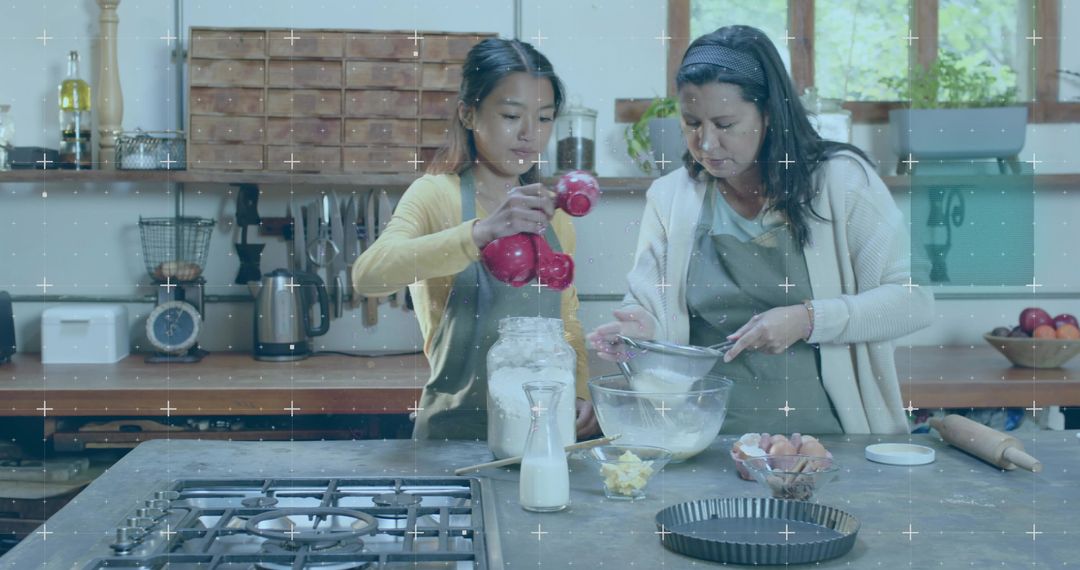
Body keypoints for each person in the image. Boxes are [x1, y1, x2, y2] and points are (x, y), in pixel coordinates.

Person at [588, 25, 934, 435]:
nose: (707, 143)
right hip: (703, 437)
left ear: (768, 115)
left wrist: (808, 319)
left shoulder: (842, 181)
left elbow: (913, 301)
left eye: (725, 124)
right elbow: (650, 307)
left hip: (834, 439)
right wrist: (638, 332)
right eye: (692, 122)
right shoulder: (671, 197)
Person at [352, 38, 598, 440]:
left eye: (544, 118)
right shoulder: (435, 194)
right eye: (510, 115)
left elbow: (566, 321)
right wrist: (481, 232)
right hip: (455, 436)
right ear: (468, 114)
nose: (528, 134)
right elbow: (368, 277)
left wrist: (581, 389)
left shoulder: (552, 215)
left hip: (543, 436)